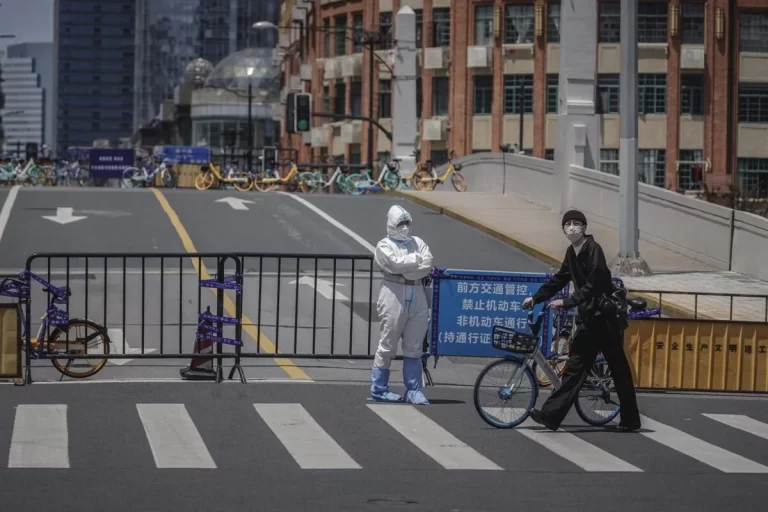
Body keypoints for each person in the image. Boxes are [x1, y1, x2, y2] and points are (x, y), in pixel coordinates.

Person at [522, 209, 641, 432]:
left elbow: (594, 283)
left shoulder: (593, 249)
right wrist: (536, 298)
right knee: (575, 368)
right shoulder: (571, 252)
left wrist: (567, 302)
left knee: (618, 370)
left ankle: (631, 420)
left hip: (606, 320)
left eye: (577, 223)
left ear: (585, 228)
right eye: (568, 224)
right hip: (590, 319)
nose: (572, 227)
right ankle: (550, 416)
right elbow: (559, 279)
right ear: (563, 229)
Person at [370, 204, 434, 405]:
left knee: (414, 346)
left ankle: (413, 390)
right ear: (391, 224)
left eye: (407, 223)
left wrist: (407, 266)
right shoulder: (383, 245)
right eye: (400, 223)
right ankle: (379, 388)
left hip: (417, 293)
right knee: (388, 343)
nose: (405, 227)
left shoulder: (418, 242)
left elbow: (428, 264)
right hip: (393, 294)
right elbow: (394, 264)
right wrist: (414, 260)